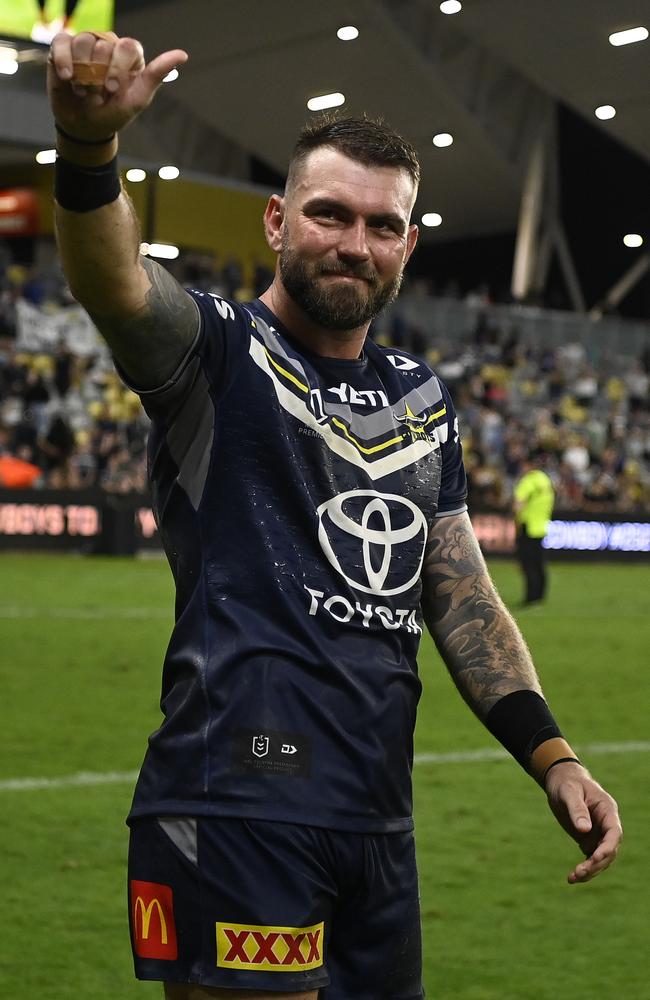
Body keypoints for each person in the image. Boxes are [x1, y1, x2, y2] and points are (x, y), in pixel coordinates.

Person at [47, 30, 622, 1000]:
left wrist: (551, 755)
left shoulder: (418, 393)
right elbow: (115, 284)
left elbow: (458, 593)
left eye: (380, 224)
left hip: (375, 817)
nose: (353, 243)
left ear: (406, 243)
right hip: (237, 796)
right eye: (327, 214)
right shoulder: (218, 353)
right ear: (275, 221)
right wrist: (89, 149)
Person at [514, 454, 555, 605]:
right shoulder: (544, 479)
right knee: (539, 564)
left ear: (528, 465)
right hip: (541, 526)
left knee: (528, 564)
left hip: (528, 526)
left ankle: (530, 598)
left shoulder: (528, 481)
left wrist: (516, 520)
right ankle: (540, 596)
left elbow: (518, 503)